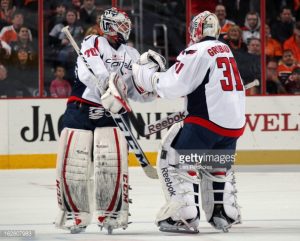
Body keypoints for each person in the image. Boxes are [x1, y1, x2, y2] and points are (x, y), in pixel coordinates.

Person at [132, 11, 244, 233]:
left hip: (206, 122)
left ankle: (183, 216)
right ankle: (223, 212)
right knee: (217, 166)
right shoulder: (226, 50)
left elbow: (173, 86)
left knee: (174, 158)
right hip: (232, 126)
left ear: (196, 30)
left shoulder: (197, 50)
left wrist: (149, 76)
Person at [55, 7, 159, 234]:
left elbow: (133, 90)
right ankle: (76, 211)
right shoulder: (92, 41)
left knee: (110, 160)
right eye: (122, 24)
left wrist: (152, 91)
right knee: (74, 160)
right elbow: (87, 72)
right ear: (109, 26)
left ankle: (112, 211)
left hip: (111, 111)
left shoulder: (131, 54)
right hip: (81, 107)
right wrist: (108, 82)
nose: (126, 28)